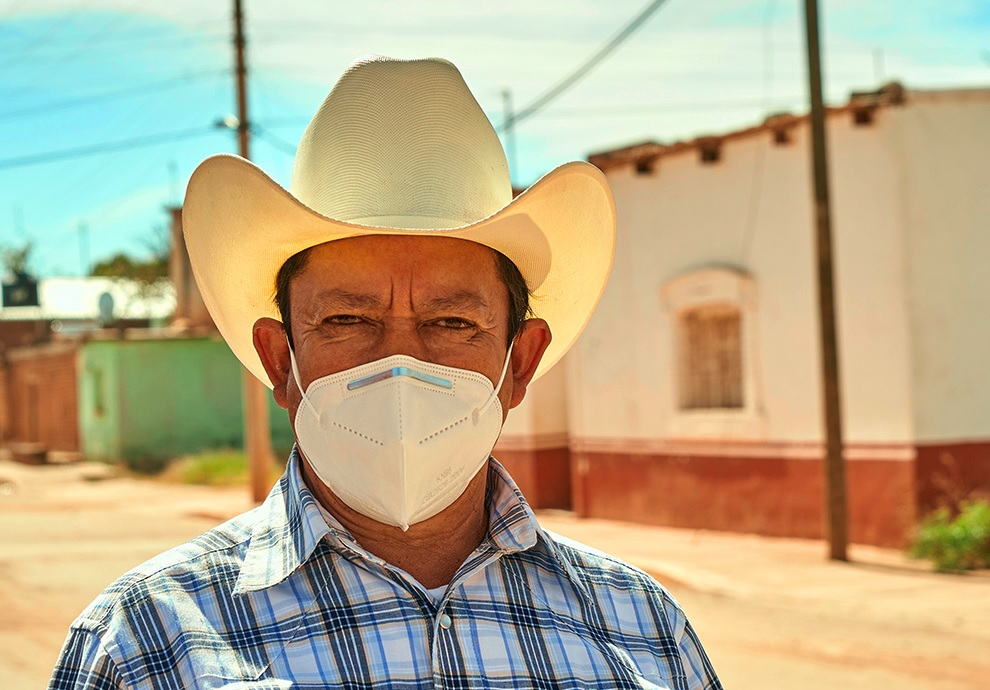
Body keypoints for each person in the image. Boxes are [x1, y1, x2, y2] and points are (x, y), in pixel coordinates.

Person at [49, 56, 722, 690]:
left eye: (452, 323)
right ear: (282, 362)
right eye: (347, 320)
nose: (401, 364)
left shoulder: (644, 633)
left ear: (520, 362)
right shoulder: (145, 644)